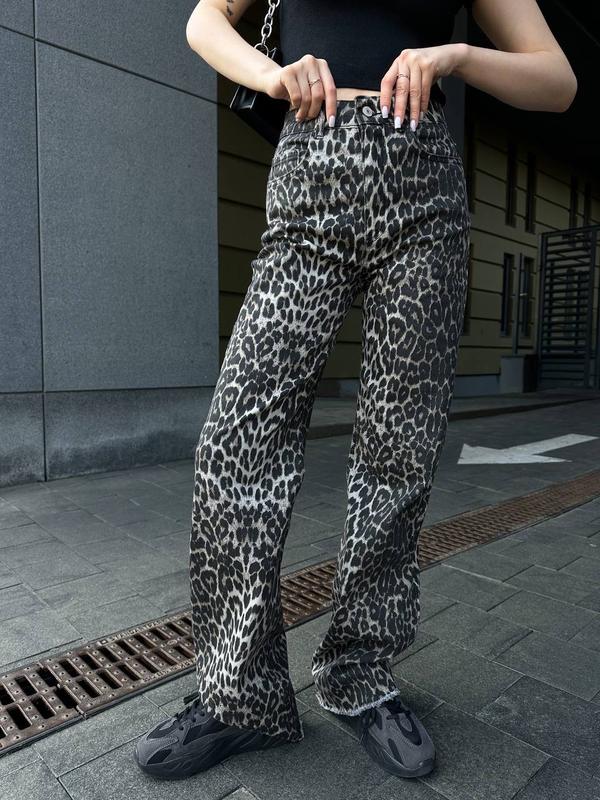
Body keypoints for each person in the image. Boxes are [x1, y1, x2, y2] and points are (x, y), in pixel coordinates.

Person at [134, 0, 576, 781]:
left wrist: (453, 57)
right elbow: (205, 21)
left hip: (424, 192)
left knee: (400, 449)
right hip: (310, 175)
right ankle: (240, 696)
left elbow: (556, 81)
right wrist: (273, 75)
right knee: (238, 440)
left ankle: (360, 672)